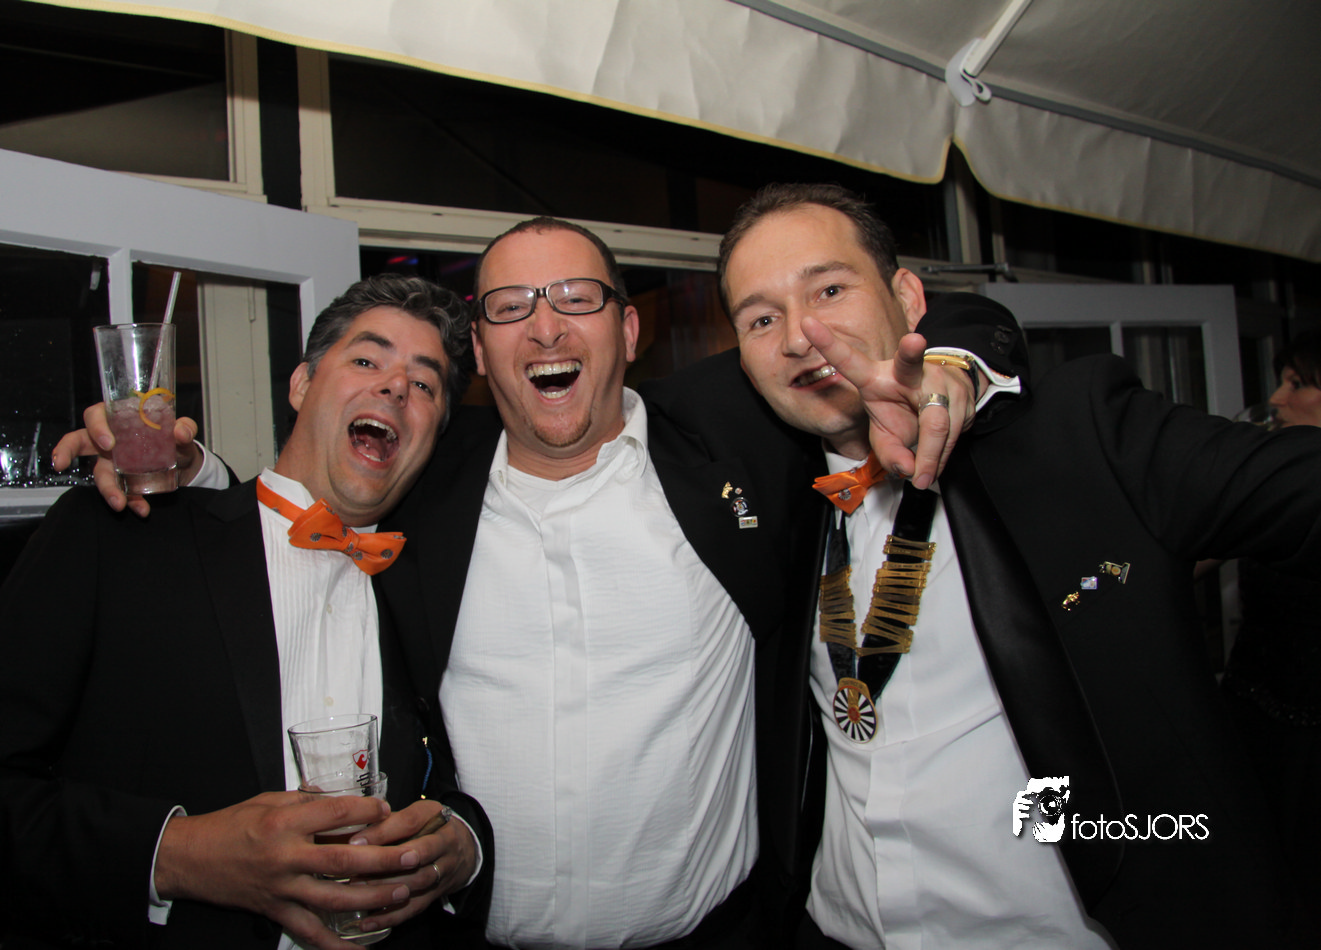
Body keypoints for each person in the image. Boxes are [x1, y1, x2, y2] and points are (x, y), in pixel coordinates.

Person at [72, 219, 983, 948]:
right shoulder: (424, 481)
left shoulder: (732, 443)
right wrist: (182, 474)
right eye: (511, 308)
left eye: (577, 298)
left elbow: (900, 337)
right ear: (480, 349)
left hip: (719, 933)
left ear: (628, 330)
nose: (546, 328)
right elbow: (308, 500)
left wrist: (957, 363)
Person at [653, 181, 1321, 948]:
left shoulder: (1083, 440)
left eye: (829, 289)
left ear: (907, 298)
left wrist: (958, 360)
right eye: (761, 318)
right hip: (836, 930)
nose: (802, 336)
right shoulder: (772, 487)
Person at [0, 275, 494, 950]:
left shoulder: (435, 584)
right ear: (301, 385)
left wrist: (462, 847)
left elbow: (461, 777)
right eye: (365, 359)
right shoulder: (121, 537)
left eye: (425, 384)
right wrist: (177, 854)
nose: (395, 388)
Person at [1219, 327, 1321, 931]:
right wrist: (1087, 586)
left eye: (1298, 384)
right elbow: (1179, 555)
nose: (1278, 399)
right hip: (1255, 721)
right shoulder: (1270, 482)